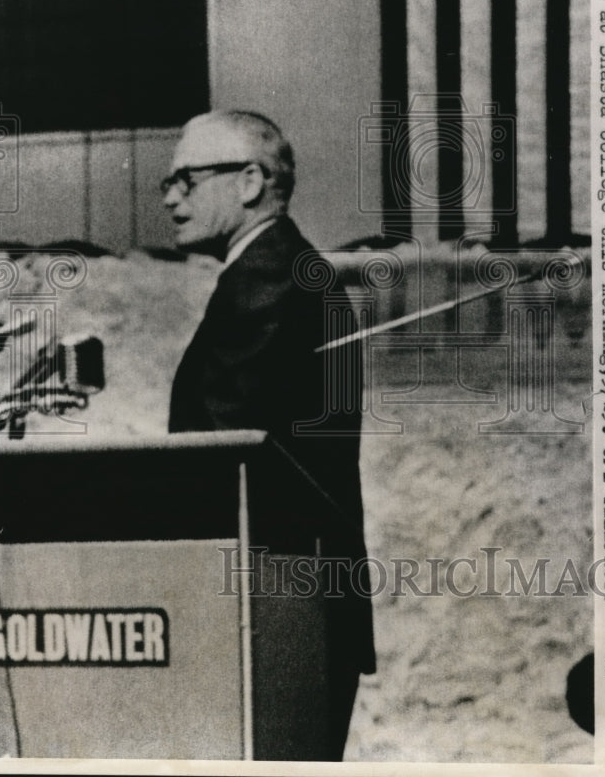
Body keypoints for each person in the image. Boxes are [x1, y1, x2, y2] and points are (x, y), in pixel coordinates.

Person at [162, 110, 375, 760]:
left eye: (187, 179)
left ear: (250, 181)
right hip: (292, 603)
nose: (171, 198)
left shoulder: (268, 279)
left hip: (270, 610)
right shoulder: (284, 270)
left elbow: (219, 457)